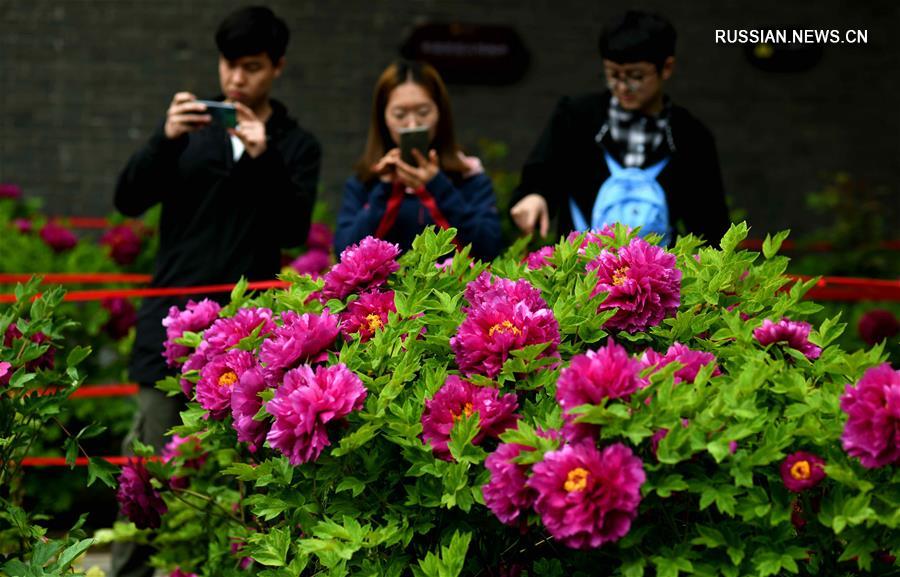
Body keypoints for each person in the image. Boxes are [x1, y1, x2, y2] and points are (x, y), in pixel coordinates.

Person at [111, 6, 320, 577]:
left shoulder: (296, 145)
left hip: (247, 337)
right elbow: (127, 200)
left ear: (277, 67)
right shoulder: (189, 130)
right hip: (168, 327)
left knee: (242, 478)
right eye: (229, 65)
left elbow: (293, 231)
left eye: (251, 67)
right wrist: (163, 138)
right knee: (147, 472)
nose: (236, 80)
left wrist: (263, 156)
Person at [509, 10, 730, 246]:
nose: (622, 87)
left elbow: (711, 225)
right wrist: (534, 196)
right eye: (613, 74)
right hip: (581, 274)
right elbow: (541, 174)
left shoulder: (691, 136)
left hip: (658, 277)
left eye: (635, 76)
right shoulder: (576, 117)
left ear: (666, 68)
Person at [334, 59, 502, 261]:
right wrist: (386, 187)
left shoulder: (469, 178)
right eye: (400, 114)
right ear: (383, 118)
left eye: (423, 112)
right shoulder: (365, 183)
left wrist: (437, 185)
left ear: (440, 113)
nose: (412, 124)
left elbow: (488, 250)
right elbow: (345, 255)